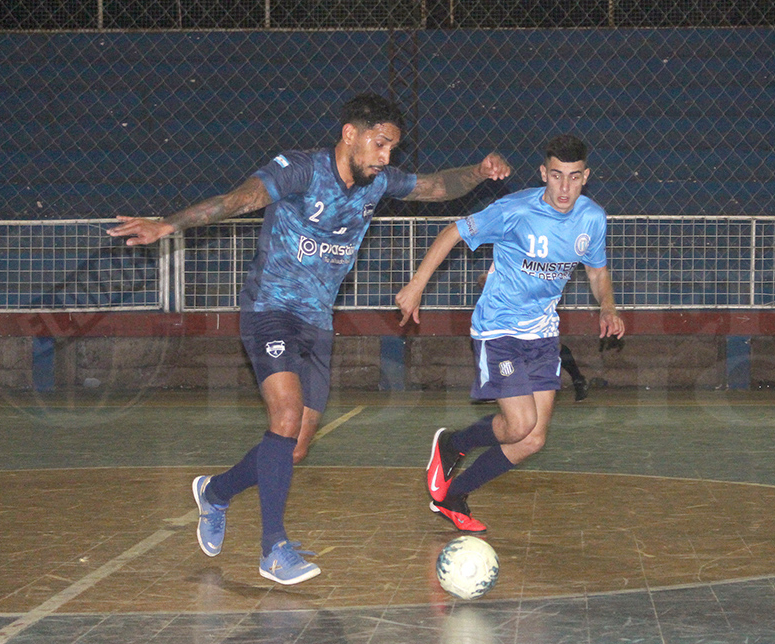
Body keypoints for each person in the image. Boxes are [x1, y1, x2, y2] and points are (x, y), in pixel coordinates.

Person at [108, 93, 511, 584]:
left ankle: (214, 493)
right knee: (285, 416)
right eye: (380, 144)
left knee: (294, 446)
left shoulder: (379, 181)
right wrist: (169, 225)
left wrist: (478, 171)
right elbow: (239, 200)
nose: (386, 156)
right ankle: (273, 549)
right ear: (350, 134)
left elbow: (436, 186)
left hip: (317, 321)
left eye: (392, 147)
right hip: (270, 309)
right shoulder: (300, 171)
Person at [396, 134, 624, 532]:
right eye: (557, 176)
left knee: (533, 440)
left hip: (543, 334)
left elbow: (597, 270)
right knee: (519, 425)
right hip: (498, 328)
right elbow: (453, 232)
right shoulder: (515, 210)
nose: (565, 187)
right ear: (543, 174)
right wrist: (416, 286)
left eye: (573, 177)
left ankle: (453, 495)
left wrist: (607, 305)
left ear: (586, 177)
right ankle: (453, 443)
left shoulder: (592, 218)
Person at [477, 268, 589, 401]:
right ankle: (496, 385)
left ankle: (577, 379)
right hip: (513, 307)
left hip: (536, 302)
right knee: (494, 341)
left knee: (547, 344)